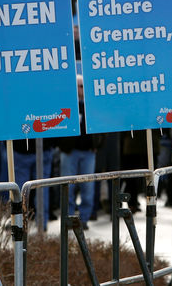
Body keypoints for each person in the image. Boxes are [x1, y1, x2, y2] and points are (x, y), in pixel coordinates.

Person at [57, 75, 101, 229]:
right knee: (67, 187)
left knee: (87, 188)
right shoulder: (66, 105)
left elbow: (102, 125)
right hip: (70, 152)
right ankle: (68, 218)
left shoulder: (92, 105)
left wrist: (98, 144)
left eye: (83, 86)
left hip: (88, 152)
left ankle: (84, 219)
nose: (81, 89)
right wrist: (62, 146)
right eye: (78, 86)